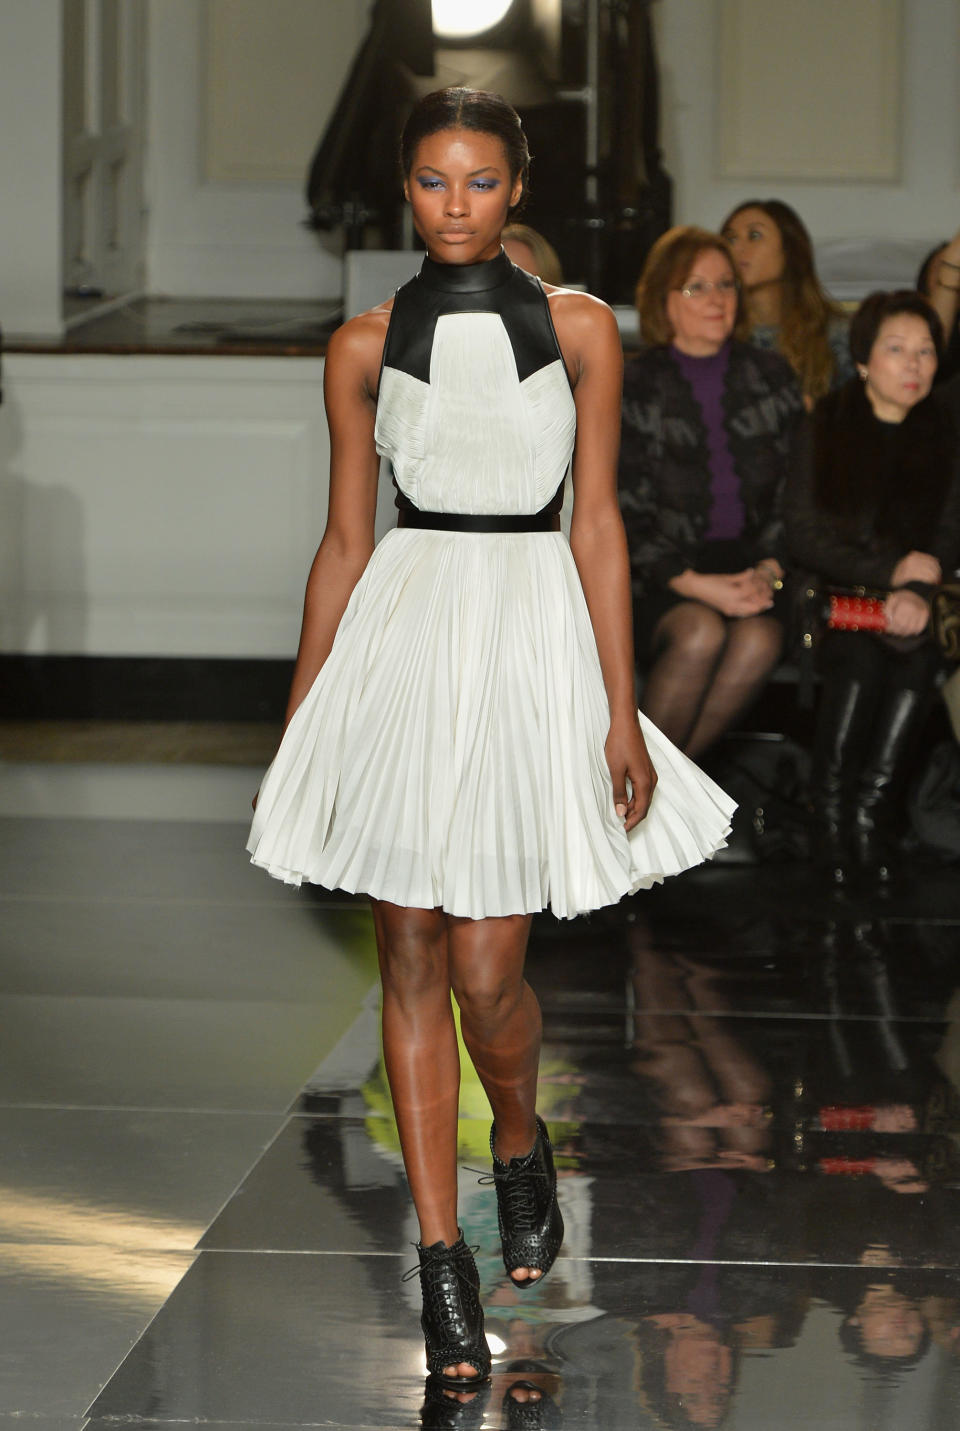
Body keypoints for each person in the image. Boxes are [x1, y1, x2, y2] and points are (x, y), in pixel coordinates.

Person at [246, 89, 734, 1390]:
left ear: (516, 188)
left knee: (486, 970)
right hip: (410, 625)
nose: (453, 203)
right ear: (405, 190)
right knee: (406, 943)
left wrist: (618, 705)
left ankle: (519, 1136)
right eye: (429, 181)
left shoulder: (581, 331)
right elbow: (347, 539)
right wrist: (308, 717)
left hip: (527, 634)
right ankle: (442, 1259)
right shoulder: (360, 342)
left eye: (477, 181)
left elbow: (598, 528)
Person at [785, 290, 960, 890]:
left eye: (926, 352)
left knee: (917, 658)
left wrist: (915, 584)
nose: (915, 365)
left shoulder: (945, 429)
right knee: (859, 655)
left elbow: (949, 530)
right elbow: (804, 533)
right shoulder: (826, 424)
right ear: (863, 359)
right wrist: (892, 573)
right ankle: (830, 823)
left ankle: (869, 819)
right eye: (897, 350)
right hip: (832, 597)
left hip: (918, 599)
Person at [619, 225, 805, 760]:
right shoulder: (635, 385)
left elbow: (795, 494)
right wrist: (699, 585)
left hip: (756, 568)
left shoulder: (771, 376)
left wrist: (770, 568)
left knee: (760, 639)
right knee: (701, 633)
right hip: (661, 573)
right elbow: (622, 513)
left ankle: (657, 808)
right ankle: (638, 800)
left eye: (726, 285)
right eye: (696, 287)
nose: (717, 299)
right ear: (663, 300)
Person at [721, 199, 853, 406]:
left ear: (788, 250)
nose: (738, 248)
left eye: (754, 236)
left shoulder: (836, 335)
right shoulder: (716, 333)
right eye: (730, 239)